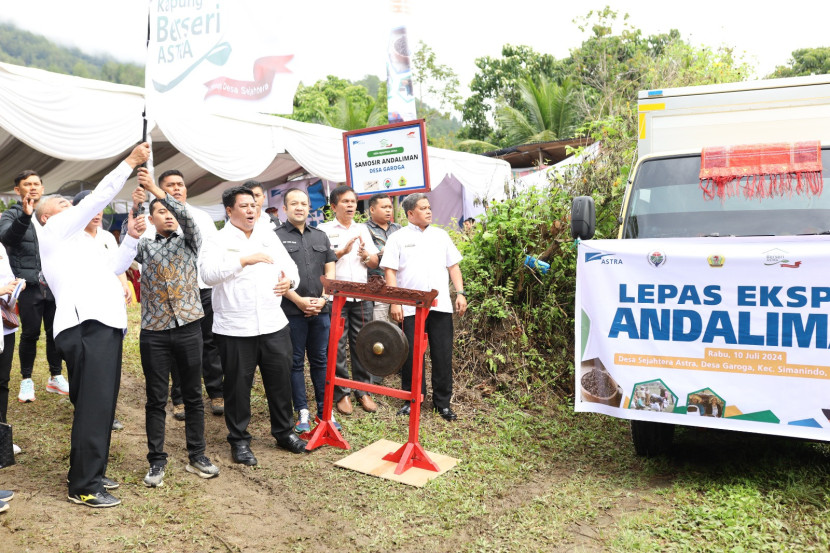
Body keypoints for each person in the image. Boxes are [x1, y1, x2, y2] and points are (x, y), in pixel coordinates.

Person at [36, 142, 150, 508]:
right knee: (94, 406)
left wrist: (131, 236)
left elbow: (115, 267)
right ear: (46, 217)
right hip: (85, 326)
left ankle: (89, 471)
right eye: (63, 206)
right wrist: (129, 163)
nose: (71, 208)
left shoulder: (84, 244)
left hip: (104, 326)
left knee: (99, 404)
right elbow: (95, 199)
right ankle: (84, 486)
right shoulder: (54, 231)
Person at [200, 186, 306, 466]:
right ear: (229, 210)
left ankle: (284, 433)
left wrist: (290, 283)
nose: (251, 210)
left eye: (254, 205)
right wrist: (243, 260)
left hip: (273, 324)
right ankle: (239, 440)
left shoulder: (267, 235)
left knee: (280, 382)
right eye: (244, 206)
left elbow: (290, 267)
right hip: (235, 328)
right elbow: (208, 275)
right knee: (237, 387)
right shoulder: (217, 239)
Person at [133, 168, 219, 487]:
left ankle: (197, 454)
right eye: (160, 212)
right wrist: (136, 206)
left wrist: (158, 191)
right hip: (154, 332)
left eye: (170, 210)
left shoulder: (190, 242)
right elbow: (130, 237)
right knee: (156, 398)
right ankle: (156, 461)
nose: (167, 215)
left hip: (188, 327)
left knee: (194, 395)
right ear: (152, 219)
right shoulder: (144, 247)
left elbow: (186, 216)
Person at [381, 193, 467, 422]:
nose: (429, 211)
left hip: (440, 307)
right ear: (410, 213)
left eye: (429, 207)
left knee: (442, 354)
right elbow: (390, 271)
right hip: (409, 308)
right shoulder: (398, 238)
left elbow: (453, 266)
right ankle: (412, 399)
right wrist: (395, 301)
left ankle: (442, 404)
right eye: (423, 208)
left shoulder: (441, 235)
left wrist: (460, 293)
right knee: (410, 354)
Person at [0, 170, 67, 402]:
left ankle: (55, 376)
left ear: (43, 188)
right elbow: (7, 239)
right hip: (29, 285)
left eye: (37, 184)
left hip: (54, 283)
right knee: (30, 333)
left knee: (54, 331)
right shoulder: (11, 214)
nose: (33, 188)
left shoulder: (52, 215)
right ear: (17, 190)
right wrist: (25, 217)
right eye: (27, 184)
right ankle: (26, 380)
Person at [275, 188, 337, 433]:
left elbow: (330, 270)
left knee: (321, 360)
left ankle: (325, 410)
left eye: (303, 203)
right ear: (285, 208)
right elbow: (275, 275)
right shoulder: (276, 237)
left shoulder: (320, 236)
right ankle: (302, 410)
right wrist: (299, 301)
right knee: (296, 362)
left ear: (309, 207)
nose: (299, 207)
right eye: (294, 203)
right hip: (292, 311)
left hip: (321, 310)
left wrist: (324, 299)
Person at [72, 189, 132, 431]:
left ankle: (108, 412)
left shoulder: (107, 236)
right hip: (83, 310)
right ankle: (83, 407)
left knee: (109, 363)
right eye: (91, 208)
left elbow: (118, 265)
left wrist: (125, 283)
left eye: (100, 208)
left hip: (110, 308)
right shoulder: (71, 238)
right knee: (83, 363)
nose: (97, 213)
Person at [318, 186, 380, 415]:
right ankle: (342, 392)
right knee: (337, 344)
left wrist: (366, 256)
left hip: (361, 295)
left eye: (353, 201)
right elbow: (320, 262)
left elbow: (374, 262)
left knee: (363, 342)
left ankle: (363, 390)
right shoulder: (323, 230)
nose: (351, 205)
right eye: (345, 201)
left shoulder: (362, 228)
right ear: (333, 206)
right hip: (337, 296)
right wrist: (342, 252)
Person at [0, 245, 24, 455]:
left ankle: (2, 440)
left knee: (3, 381)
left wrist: (15, 287)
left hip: (3, 325)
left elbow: (7, 279)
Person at [366, 193, 401, 326]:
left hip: (398, 286)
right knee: (380, 328)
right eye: (384, 207)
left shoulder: (397, 228)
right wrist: (388, 252)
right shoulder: (365, 229)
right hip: (377, 286)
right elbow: (371, 256)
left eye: (390, 207)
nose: (388, 210)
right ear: (372, 209)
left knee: (398, 331)